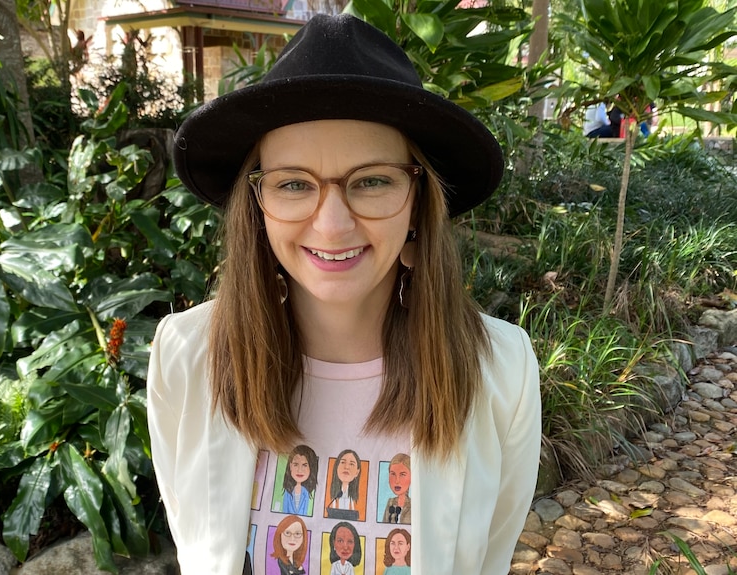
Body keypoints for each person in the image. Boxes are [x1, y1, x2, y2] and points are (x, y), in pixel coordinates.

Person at [147, 13, 541, 575]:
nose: (331, 225)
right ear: (257, 208)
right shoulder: (188, 358)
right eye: (293, 184)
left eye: (373, 180)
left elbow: (489, 558)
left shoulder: (501, 372)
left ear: (417, 204)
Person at [281, 444, 319, 515]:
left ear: (311, 468)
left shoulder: (308, 493)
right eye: (295, 464)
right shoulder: (287, 492)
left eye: (304, 465)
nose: (299, 470)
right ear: (290, 466)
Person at [381, 453, 411, 524]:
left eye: (402, 475)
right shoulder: (390, 502)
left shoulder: (414, 505)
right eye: (393, 474)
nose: (397, 481)